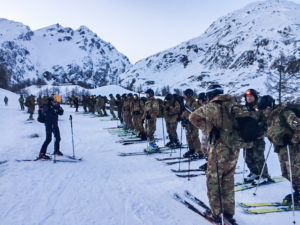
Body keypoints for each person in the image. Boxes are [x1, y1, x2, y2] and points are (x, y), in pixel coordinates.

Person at [189, 84, 252, 224]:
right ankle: (229, 213)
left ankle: (217, 214)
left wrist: (209, 129)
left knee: (214, 181)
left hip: (220, 149)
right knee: (228, 180)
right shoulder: (234, 104)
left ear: (211, 94)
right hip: (234, 148)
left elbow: (193, 117)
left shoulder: (214, 106)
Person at [257, 95, 300, 206]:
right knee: (286, 174)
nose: (264, 112)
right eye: (262, 110)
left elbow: (298, 124)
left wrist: (293, 139)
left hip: (292, 149)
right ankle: (297, 192)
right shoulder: (271, 117)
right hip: (281, 149)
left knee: (296, 173)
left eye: (265, 109)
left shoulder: (285, 113)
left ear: (270, 106)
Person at [242, 89, 272, 184]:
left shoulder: (260, 108)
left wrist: (262, 130)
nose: (249, 98)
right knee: (247, 157)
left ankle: (264, 175)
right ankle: (254, 172)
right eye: (247, 97)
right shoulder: (243, 109)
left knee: (258, 157)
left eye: (251, 96)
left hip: (258, 137)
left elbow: (267, 121)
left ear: (255, 97)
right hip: (247, 138)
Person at [181, 89, 202, 158]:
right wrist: (183, 118)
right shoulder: (186, 102)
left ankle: (199, 152)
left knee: (195, 136)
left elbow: (196, 112)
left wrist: (191, 120)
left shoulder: (194, 102)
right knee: (189, 136)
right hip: (188, 122)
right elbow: (186, 112)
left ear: (188, 95)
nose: (183, 96)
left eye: (185, 94)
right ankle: (192, 149)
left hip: (193, 122)